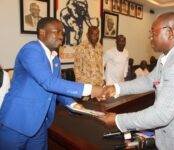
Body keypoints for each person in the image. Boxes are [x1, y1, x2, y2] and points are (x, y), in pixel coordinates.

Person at [98, 12, 174, 149]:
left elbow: (160, 115)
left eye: (153, 33)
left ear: (170, 32)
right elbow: (149, 80)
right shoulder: (168, 56)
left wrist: (118, 120)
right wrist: (117, 88)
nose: (150, 37)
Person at [0, 17, 103, 150]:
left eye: (63, 33)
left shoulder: (55, 59)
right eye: (57, 32)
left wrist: (74, 104)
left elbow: (56, 87)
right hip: (16, 122)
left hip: (40, 124)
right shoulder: (31, 49)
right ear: (42, 32)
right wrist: (91, 89)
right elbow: (49, 82)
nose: (61, 36)